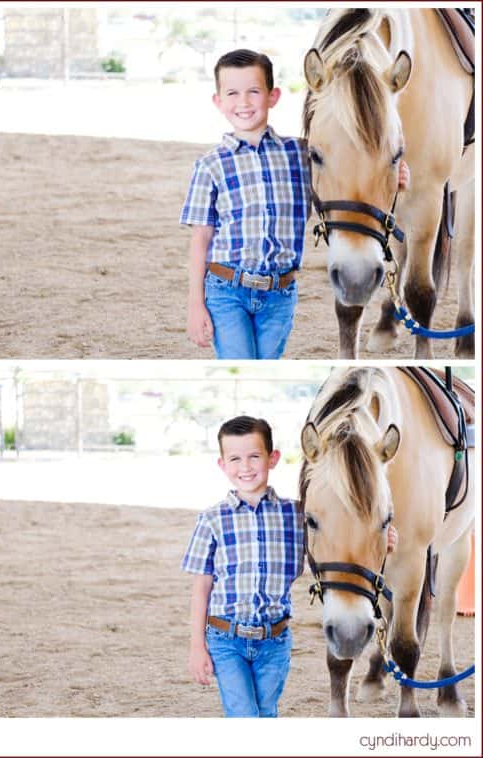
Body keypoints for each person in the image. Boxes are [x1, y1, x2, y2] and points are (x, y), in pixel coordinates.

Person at [180, 49, 409, 359]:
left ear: (273, 96)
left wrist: (392, 169)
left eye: (254, 91)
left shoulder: (301, 154)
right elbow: (200, 238)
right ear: (218, 101)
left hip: (279, 294)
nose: (244, 102)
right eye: (232, 93)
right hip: (226, 289)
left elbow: (343, 164)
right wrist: (196, 304)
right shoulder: (209, 165)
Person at [182, 416, 397, 717]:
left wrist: (381, 534)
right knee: (243, 714)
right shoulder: (211, 520)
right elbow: (201, 587)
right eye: (235, 459)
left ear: (273, 459)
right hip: (225, 638)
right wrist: (196, 646)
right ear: (222, 465)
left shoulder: (298, 515)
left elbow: (334, 532)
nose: (245, 467)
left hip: (275, 641)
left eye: (254, 456)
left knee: (267, 712)